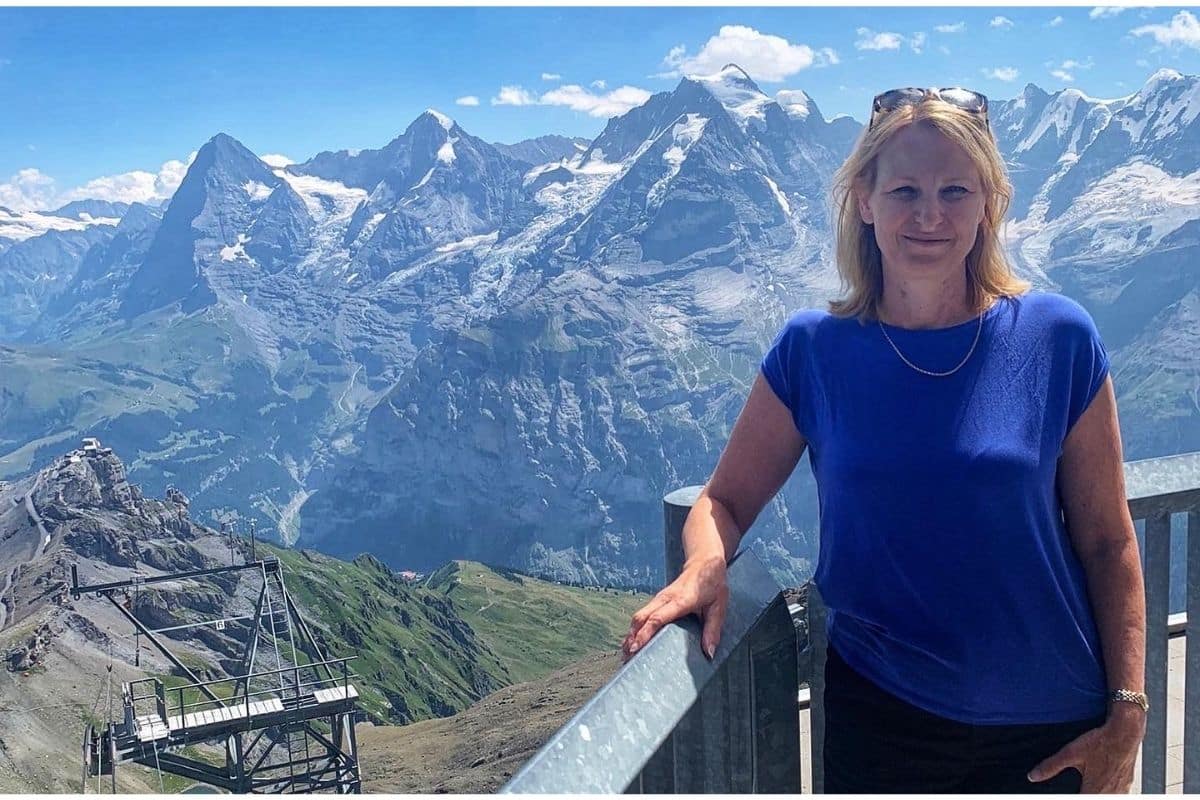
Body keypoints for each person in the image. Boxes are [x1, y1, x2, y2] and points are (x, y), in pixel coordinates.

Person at [620, 87, 1147, 794]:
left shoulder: (1060, 338)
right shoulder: (813, 351)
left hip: (1052, 731)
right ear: (864, 201)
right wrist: (704, 566)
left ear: (988, 201)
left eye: (955, 189)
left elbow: (1108, 542)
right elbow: (723, 501)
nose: (930, 214)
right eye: (905, 189)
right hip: (883, 725)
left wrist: (1128, 712)